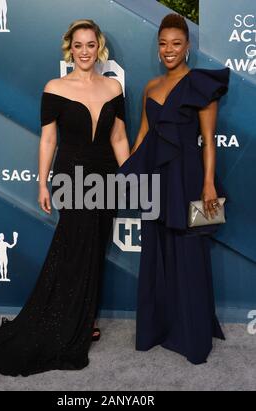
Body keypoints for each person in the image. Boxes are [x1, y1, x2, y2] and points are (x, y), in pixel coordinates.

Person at [0, 19, 130, 376]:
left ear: (98, 47)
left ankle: (83, 321)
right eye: (78, 45)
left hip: (107, 178)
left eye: (90, 44)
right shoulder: (55, 87)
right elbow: (48, 140)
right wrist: (42, 183)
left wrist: (130, 176)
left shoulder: (114, 89)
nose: (84, 51)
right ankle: (64, 325)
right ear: (69, 48)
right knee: (74, 251)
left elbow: (119, 138)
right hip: (72, 178)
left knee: (94, 251)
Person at [118, 13, 229, 365]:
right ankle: (158, 329)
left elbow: (208, 142)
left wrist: (209, 184)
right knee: (157, 252)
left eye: (176, 43)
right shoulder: (150, 87)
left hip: (189, 179)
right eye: (163, 43)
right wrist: (128, 174)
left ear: (188, 47)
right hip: (155, 180)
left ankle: (192, 334)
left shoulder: (199, 85)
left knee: (190, 255)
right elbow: (142, 137)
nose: (169, 50)